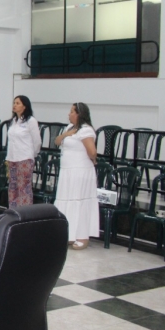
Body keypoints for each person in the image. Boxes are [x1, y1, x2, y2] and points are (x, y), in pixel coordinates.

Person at [54, 102, 99, 250]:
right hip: (67, 171)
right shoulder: (69, 128)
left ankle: (82, 236)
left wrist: (92, 160)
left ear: (79, 114)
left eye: (72, 111)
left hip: (80, 172)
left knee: (79, 201)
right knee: (67, 200)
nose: (69, 114)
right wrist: (67, 134)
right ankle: (70, 234)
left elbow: (92, 152)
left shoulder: (86, 131)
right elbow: (57, 141)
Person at [6, 95, 42, 208]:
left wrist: (32, 155)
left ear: (25, 106)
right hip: (12, 158)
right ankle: (13, 211)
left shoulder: (31, 121)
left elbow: (37, 141)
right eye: (14, 103)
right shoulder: (13, 121)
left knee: (23, 187)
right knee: (12, 186)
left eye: (18, 103)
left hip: (24, 158)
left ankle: (24, 213)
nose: (14, 105)